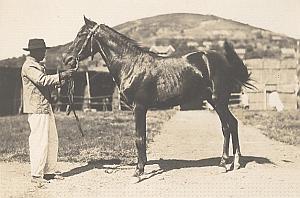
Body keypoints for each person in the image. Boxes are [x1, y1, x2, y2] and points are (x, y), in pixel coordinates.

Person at [21, 38, 74, 186]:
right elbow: (43, 81)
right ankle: (37, 175)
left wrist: (61, 81)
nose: (44, 52)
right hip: (37, 108)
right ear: (35, 51)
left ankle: (49, 172)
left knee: (52, 139)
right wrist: (61, 76)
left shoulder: (37, 65)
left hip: (45, 106)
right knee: (39, 141)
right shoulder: (29, 66)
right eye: (42, 50)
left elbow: (45, 85)